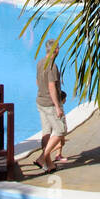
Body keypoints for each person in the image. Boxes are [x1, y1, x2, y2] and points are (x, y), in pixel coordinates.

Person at [34, 39, 70, 173]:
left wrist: (43, 94)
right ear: (56, 50)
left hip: (40, 101)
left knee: (46, 132)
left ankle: (49, 165)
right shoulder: (52, 66)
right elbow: (51, 87)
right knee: (61, 130)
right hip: (50, 104)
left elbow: (37, 81)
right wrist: (57, 106)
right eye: (58, 48)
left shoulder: (40, 63)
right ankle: (42, 158)